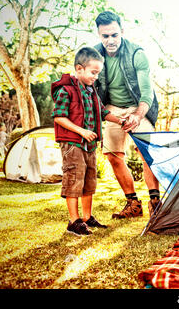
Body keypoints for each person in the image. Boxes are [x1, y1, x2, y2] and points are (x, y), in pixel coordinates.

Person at [93, 11, 160, 219]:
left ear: (122, 31)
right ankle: (133, 203)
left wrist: (138, 115)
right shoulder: (94, 55)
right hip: (112, 108)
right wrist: (105, 114)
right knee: (112, 155)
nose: (110, 40)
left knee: (148, 152)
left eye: (114, 35)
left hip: (138, 107)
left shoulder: (136, 53)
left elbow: (147, 92)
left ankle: (156, 203)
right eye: (105, 36)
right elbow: (91, 91)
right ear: (99, 34)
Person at [51, 47, 124, 236]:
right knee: (74, 180)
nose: (96, 77)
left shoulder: (91, 92)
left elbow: (103, 112)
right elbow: (59, 117)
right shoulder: (65, 90)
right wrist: (82, 131)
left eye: (98, 73)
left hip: (89, 146)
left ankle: (86, 217)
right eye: (93, 72)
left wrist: (120, 121)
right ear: (79, 68)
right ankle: (73, 221)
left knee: (89, 181)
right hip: (73, 143)